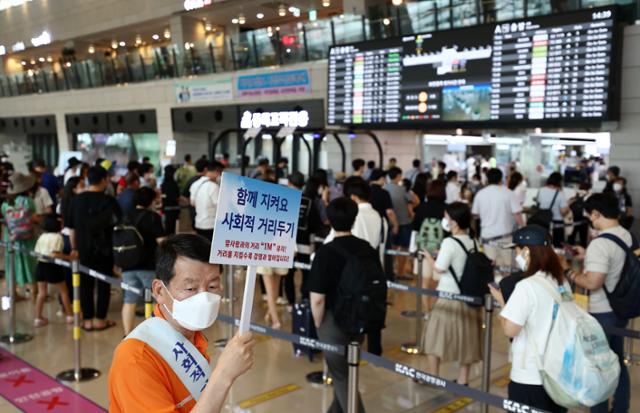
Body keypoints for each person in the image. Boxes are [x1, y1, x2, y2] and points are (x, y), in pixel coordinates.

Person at [109, 236, 255, 412]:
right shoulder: (135, 359)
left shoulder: (193, 337)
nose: (204, 298)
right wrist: (224, 375)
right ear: (159, 291)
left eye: (212, 286)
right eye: (191, 289)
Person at [489, 225, 569, 413]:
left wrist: (502, 302)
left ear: (526, 251)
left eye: (516, 250)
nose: (515, 255)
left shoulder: (526, 286)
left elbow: (510, 330)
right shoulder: (560, 281)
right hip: (558, 373)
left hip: (530, 375)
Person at [565, 193, 631, 413]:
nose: (590, 221)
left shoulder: (600, 243)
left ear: (596, 214)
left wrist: (571, 274)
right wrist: (588, 256)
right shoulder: (627, 236)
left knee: (598, 368)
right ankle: (621, 408)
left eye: (590, 216)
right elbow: (616, 263)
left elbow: (593, 282)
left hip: (602, 312)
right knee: (617, 363)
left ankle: (600, 411)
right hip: (622, 309)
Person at [309, 197, 371, 413]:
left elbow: (317, 298)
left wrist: (318, 323)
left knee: (341, 374)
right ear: (354, 219)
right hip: (359, 319)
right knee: (345, 371)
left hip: (332, 322)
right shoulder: (367, 249)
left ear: (329, 220)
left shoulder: (324, 253)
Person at [421, 202, 482, 386]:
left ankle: (434, 377)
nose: (445, 220)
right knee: (467, 341)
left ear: (454, 222)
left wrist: (430, 258)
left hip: (448, 298)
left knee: (434, 338)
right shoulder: (473, 241)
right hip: (468, 299)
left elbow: (439, 269)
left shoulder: (449, 242)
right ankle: (463, 380)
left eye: (447, 217)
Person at [68, 166, 122, 332]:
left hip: (83, 249)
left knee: (85, 285)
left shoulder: (76, 200)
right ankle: (100, 320)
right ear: (104, 180)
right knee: (104, 284)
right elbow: (119, 225)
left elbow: (71, 228)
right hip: (105, 250)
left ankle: (88, 321)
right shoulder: (109, 201)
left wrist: (74, 247)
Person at [121, 187, 167, 335]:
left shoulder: (125, 216)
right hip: (148, 264)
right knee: (155, 299)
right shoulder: (153, 217)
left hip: (127, 264)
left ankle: (127, 334)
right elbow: (162, 241)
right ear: (151, 201)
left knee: (129, 300)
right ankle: (152, 333)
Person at [472, 168, 523, 267]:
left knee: (489, 269)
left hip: (487, 238)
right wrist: (524, 227)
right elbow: (517, 214)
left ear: (487, 179)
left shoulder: (480, 194)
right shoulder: (509, 193)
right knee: (507, 268)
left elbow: (475, 215)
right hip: (506, 238)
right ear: (501, 179)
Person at [2, 172, 39, 301]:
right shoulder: (28, 201)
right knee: (30, 265)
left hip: (10, 238)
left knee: (11, 265)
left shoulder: (6, 203)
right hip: (27, 239)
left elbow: (6, 222)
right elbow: (33, 218)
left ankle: (13, 294)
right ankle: (35, 295)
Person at [33, 214, 73, 327]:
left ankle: (38, 317)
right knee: (64, 291)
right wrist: (70, 258)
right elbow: (55, 254)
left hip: (40, 265)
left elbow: (37, 252)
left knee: (41, 293)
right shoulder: (57, 237)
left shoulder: (42, 236)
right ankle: (70, 316)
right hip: (53, 267)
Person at [412, 180, 447, 310]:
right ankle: (435, 310)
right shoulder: (446, 208)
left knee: (425, 282)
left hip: (423, 250)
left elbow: (415, 229)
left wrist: (413, 249)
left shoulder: (421, 207)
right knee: (438, 282)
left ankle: (427, 310)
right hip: (441, 250)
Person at [384, 167, 419, 279]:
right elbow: (415, 201)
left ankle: (391, 270)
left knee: (392, 247)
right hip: (404, 222)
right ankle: (400, 272)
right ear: (398, 176)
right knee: (403, 248)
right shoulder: (402, 189)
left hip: (390, 223)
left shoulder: (384, 188)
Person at [369, 169, 399, 280]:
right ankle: (387, 276)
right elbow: (389, 212)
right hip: (381, 225)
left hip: (367, 224)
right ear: (381, 178)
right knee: (385, 249)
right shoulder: (384, 193)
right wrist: (395, 225)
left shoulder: (366, 191)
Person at [190, 161, 223, 241]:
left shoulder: (195, 184)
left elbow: (192, 203)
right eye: (221, 173)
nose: (220, 176)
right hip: (211, 225)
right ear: (217, 171)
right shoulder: (213, 186)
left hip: (198, 223)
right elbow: (220, 206)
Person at [535, 172, 570, 247]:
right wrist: (568, 207)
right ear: (559, 181)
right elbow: (563, 212)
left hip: (542, 221)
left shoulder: (541, 190)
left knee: (543, 245)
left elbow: (538, 202)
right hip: (557, 223)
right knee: (558, 246)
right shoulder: (560, 194)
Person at [182, 158, 209, 229]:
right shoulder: (209, 182)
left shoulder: (191, 180)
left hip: (194, 212)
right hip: (208, 215)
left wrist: (191, 204)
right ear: (206, 169)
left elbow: (184, 196)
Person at [161, 165, 181, 235]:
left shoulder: (163, 184)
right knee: (173, 228)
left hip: (166, 209)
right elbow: (177, 197)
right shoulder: (174, 184)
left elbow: (163, 197)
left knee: (167, 228)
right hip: (175, 209)